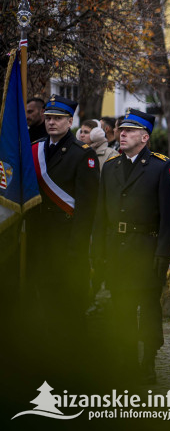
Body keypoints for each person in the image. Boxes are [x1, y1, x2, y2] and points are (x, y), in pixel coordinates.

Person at [94, 109, 170, 383]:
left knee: (149, 310)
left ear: (144, 136)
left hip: (146, 249)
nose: (122, 133)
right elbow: (101, 216)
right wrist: (99, 254)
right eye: (120, 129)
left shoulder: (160, 166)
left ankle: (148, 361)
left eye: (129, 130)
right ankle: (127, 361)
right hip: (117, 251)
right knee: (121, 310)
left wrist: (163, 255)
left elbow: (168, 217)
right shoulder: (111, 167)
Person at [23, 95, 99, 365]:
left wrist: (76, 250)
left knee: (69, 306)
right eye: (49, 117)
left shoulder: (83, 155)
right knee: (41, 304)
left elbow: (87, 209)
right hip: (38, 242)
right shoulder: (34, 149)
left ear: (70, 121)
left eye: (58, 118)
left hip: (67, 244)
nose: (51, 122)